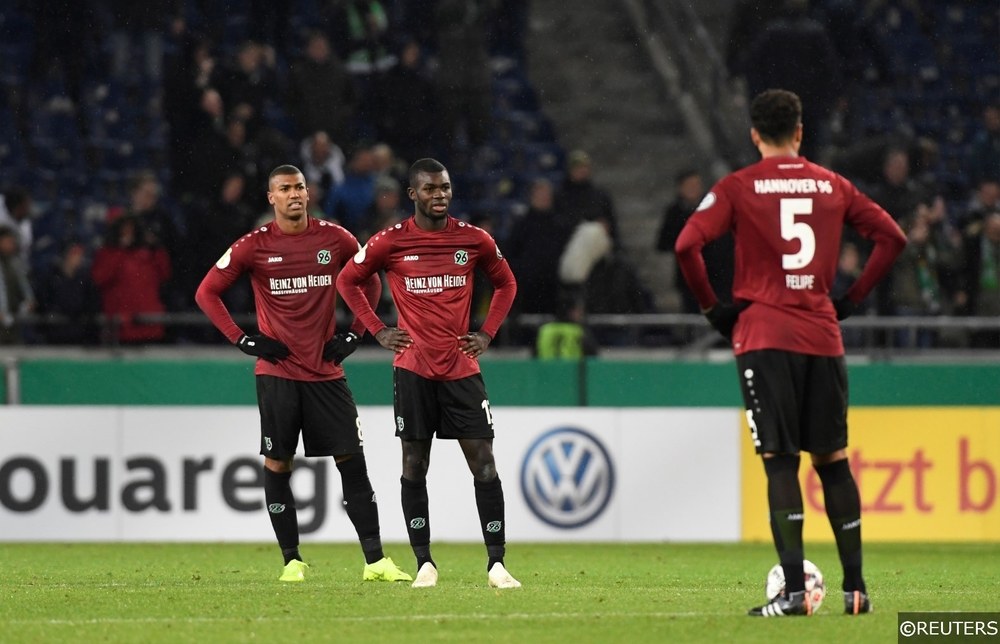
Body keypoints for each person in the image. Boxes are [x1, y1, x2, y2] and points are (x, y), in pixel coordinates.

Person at [674, 89, 906, 617]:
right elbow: (892, 238)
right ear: (800, 132)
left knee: (781, 463)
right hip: (823, 336)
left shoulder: (737, 187)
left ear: (754, 134)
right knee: (833, 463)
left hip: (764, 336)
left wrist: (714, 308)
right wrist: (850, 300)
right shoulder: (833, 184)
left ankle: (796, 594)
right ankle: (856, 591)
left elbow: (687, 245)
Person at [194, 164, 412, 584]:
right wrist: (243, 340)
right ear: (270, 198)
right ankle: (292, 560)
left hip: (327, 373)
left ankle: (376, 562)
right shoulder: (254, 245)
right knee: (278, 463)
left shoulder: (336, 238)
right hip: (277, 373)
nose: (294, 194)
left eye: (299, 187)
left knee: (352, 461)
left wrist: (356, 332)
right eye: (284, 189)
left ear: (308, 193)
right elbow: (207, 292)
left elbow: (368, 281)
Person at [336, 158, 521, 589]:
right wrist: (377, 330)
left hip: (461, 369)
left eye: (445, 187)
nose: (439, 195)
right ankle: (425, 563)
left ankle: (496, 564)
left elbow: (506, 283)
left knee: (485, 465)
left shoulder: (473, 240)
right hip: (413, 369)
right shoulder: (390, 241)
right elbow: (348, 280)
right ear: (413, 195)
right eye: (431, 188)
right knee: (414, 465)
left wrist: (488, 333)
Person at [655, 169, 733, 314]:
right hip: (689, 276)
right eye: (689, 185)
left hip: (717, 274)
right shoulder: (674, 213)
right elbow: (663, 242)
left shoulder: (714, 207)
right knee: (691, 314)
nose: (693, 189)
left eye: (696, 185)